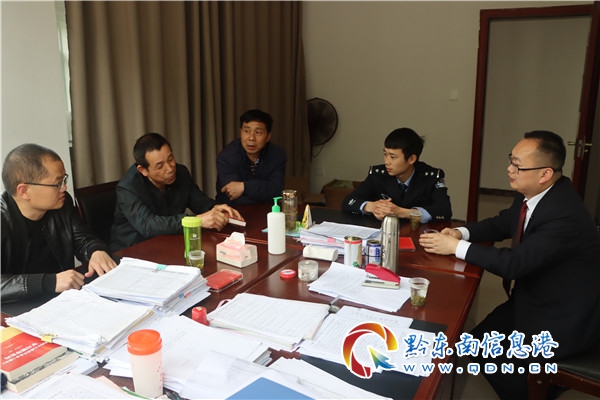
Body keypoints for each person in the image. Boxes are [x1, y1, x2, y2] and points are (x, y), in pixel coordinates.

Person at [419, 130, 600, 399]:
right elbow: (504, 222)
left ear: (545, 174)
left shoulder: (564, 215)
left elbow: (515, 264)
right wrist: (461, 233)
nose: (509, 169)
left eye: (518, 165)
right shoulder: (536, 192)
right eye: (510, 160)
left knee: (504, 368)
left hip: (564, 316)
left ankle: (540, 389)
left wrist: (455, 248)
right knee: (476, 342)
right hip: (534, 296)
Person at [1, 144, 116, 303]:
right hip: (16, 309)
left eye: (64, 180)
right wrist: (49, 282)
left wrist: (96, 251)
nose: (64, 188)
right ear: (24, 191)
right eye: (57, 184)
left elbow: (83, 239)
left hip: (62, 299)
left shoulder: (62, 203)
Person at [110, 133, 243, 251]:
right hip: (134, 251)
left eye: (170, 159)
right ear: (143, 170)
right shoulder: (128, 188)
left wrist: (217, 209)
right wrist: (196, 221)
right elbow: (148, 226)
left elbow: (199, 202)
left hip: (170, 242)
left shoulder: (181, 172)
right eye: (160, 166)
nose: (170, 168)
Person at [341, 127, 452, 222]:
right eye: (385, 154)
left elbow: (444, 210)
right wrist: (372, 206)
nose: (387, 161)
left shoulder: (431, 177)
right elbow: (348, 202)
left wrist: (402, 212)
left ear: (411, 159)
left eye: (393, 157)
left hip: (418, 234)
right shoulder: (378, 175)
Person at [216, 109, 287, 205]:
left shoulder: (277, 155)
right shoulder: (227, 156)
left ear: (268, 136)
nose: (251, 138)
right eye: (247, 131)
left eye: (258, 132)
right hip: (231, 210)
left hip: (268, 210)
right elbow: (232, 194)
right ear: (241, 132)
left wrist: (244, 187)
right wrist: (265, 192)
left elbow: (277, 190)